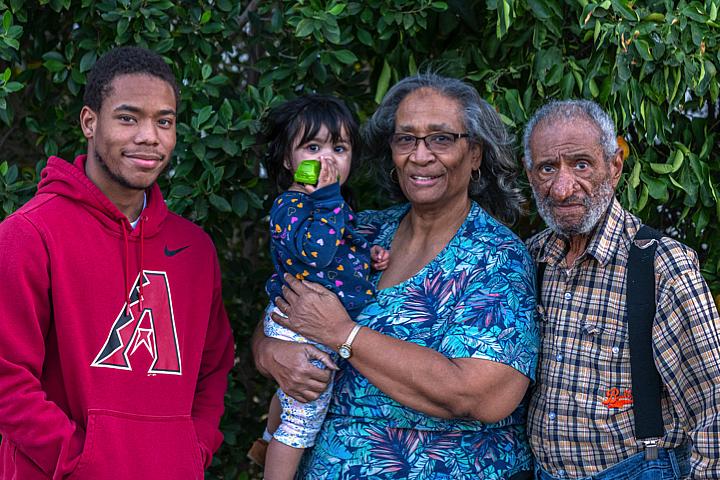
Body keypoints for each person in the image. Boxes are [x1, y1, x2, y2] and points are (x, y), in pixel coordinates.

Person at [253, 73, 540, 479]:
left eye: (441, 138)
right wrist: (272, 354)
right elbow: (286, 311)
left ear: (474, 154)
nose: (420, 155)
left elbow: (481, 395)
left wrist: (345, 335)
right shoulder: (364, 232)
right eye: (406, 139)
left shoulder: (495, 256)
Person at [0, 46, 235, 480]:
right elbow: (7, 378)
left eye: (164, 121)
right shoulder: (30, 234)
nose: (150, 136)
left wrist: (192, 450)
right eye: (128, 118)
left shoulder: (195, 250)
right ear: (90, 122)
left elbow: (214, 367)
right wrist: (79, 461)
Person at [522, 99, 720, 479]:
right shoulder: (531, 260)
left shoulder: (661, 265)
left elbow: (714, 403)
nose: (563, 188)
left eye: (581, 164)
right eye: (548, 168)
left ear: (614, 167)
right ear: (531, 175)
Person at [255, 95, 389, 479]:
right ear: (288, 160)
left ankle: (265, 436)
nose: (327, 159)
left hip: (308, 323)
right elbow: (316, 253)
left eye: (339, 148)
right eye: (312, 148)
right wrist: (329, 199)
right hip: (298, 327)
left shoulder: (333, 208)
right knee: (302, 424)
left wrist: (369, 255)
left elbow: (340, 252)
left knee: (290, 400)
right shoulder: (292, 204)